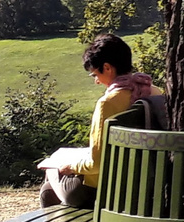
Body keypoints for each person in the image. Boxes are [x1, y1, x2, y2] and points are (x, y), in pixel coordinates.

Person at [40, 34, 161, 208]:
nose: (96, 81)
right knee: (51, 187)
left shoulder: (108, 103)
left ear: (107, 67)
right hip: (149, 188)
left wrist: (70, 165)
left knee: (50, 175)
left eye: (95, 74)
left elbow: (97, 164)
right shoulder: (156, 93)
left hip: (107, 192)